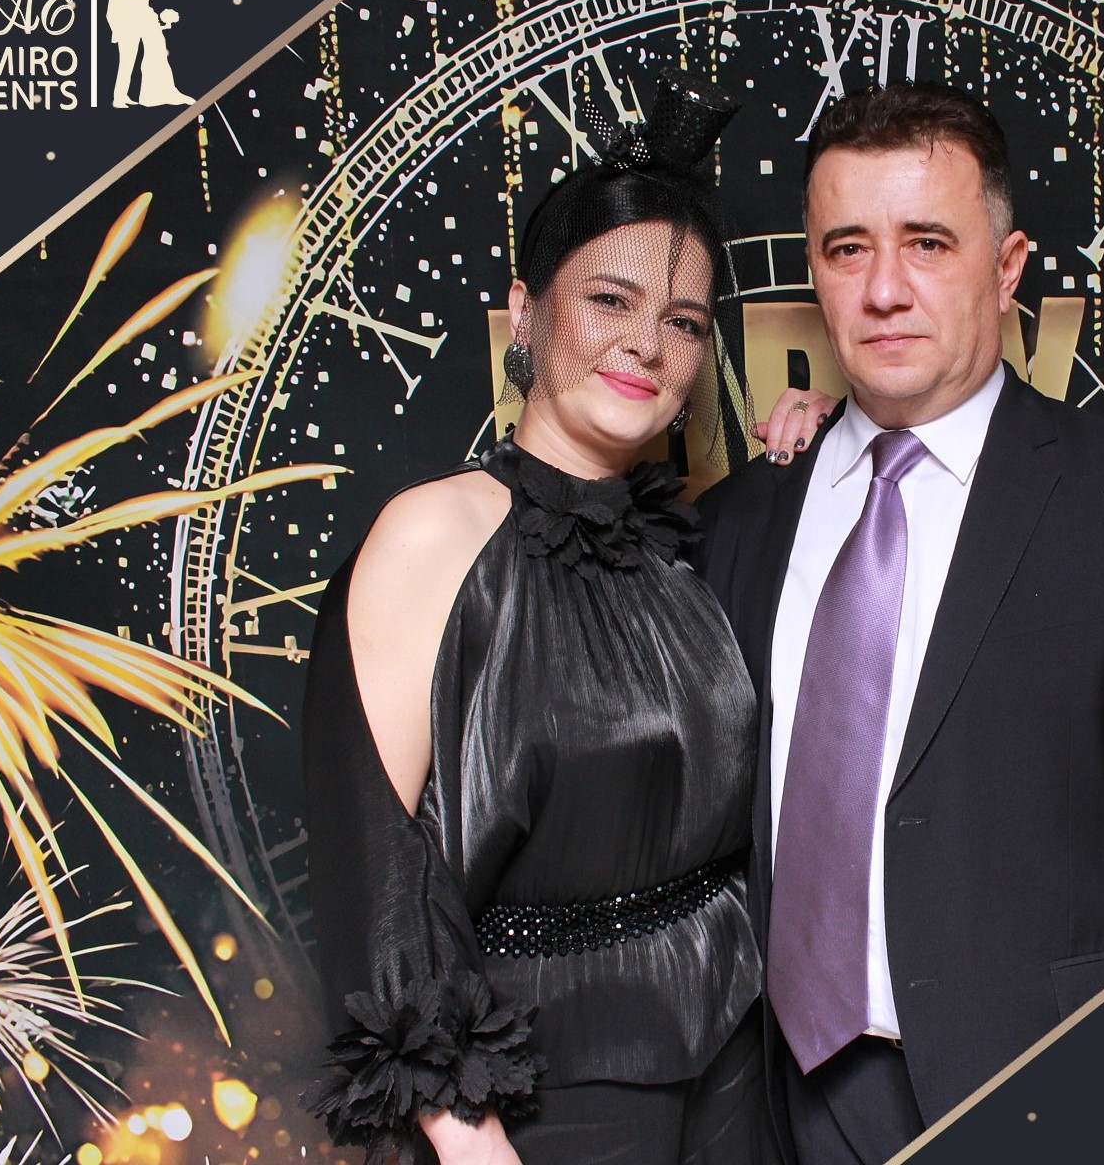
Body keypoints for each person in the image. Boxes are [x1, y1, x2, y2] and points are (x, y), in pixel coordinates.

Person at [696, 82, 1104, 1164]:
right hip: (776, 1109)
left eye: (927, 244)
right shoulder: (742, 517)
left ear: (1007, 268)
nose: (884, 290)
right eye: (846, 249)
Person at [299, 72, 826, 1165]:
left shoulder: (689, 548)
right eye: (609, 301)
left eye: (683, 322)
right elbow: (377, 878)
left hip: (741, 1073)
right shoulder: (434, 536)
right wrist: (465, 1135)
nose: (647, 345)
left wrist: (834, 427)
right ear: (526, 312)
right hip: (546, 1095)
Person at [133, 0, 193, 107]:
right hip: (150, 40)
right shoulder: (140, 10)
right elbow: (144, 28)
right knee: (153, 64)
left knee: (161, 64)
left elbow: (153, 27)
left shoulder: (148, 9)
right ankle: (152, 96)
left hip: (157, 40)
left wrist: (166, 25)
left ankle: (164, 93)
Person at [105, 0, 143, 108]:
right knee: (124, 66)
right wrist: (119, 31)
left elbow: (140, 14)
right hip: (124, 35)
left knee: (129, 66)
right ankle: (118, 99)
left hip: (135, 35)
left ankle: (124, 94)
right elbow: (110, 15)